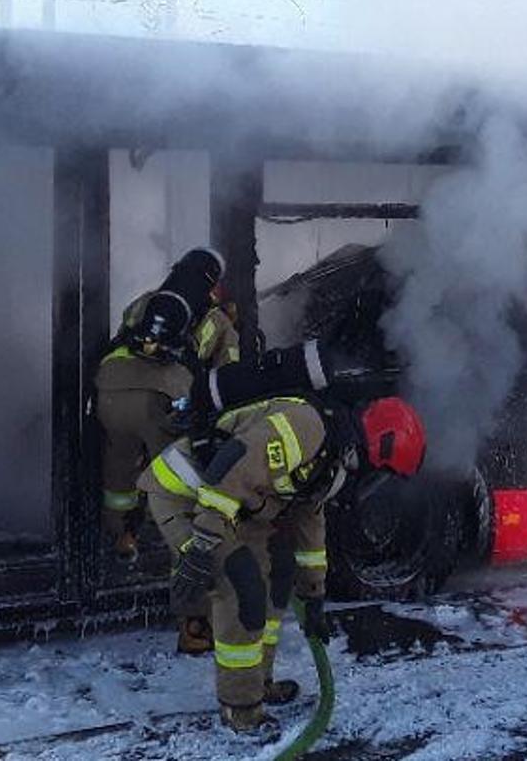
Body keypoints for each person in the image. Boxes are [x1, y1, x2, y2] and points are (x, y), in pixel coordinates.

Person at [148, 394, 426, 733]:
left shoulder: (333, 461)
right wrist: (203, 543)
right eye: (382, 471)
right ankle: (240, 708)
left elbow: (310, 523)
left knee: (280, 573)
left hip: (232, 507)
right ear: (379, 446)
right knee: (242, 587)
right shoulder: (306, 427)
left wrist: (313, 594)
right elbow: (234, 467)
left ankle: (259, 683)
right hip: (186, 492)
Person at [94, 247, 240, 654]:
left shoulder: (145, 302)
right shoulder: (213, 319)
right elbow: (230, 377)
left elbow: (124, 335)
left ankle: (121, 537)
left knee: (119, 472)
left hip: (109, 392)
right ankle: (194, 623)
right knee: (182, 506)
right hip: (160, 403)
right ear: (214, 285)